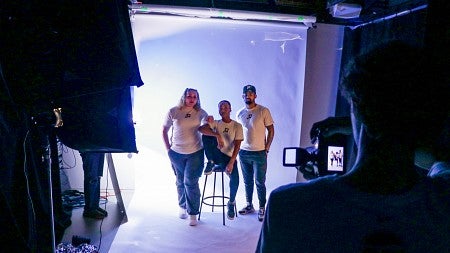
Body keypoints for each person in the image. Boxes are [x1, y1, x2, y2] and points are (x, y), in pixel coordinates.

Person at [256, 41, 450, 252]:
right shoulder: (443, 202)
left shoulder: (288, 206)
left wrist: (323, 188)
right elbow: (438, 155)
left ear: (357, 108)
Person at [162, 88, 208, 226]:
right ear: (184, 97)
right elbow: (164, 130)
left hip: (195, 153)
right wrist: (168, 150)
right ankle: (182, 206)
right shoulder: (173, 111)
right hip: (176, 153)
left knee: (191, 182)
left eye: (195, 96)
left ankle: (193, 213)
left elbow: (208, 127)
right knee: (180, 181)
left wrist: (210, 122)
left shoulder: (201, 113)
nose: (192, 99)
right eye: (189, 96)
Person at [198, 100, 243, 220]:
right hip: (216, 155)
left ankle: (231, 203)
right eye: (220, 107)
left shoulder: (237, 126)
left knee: (236, 180)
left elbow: (237, 146)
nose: (223, 109)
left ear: (230, 109)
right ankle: (210, 162)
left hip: (228, 158)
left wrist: (232, 162)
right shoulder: (216, 123)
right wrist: (217, 135)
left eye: (225, 107)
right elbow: (201, 129)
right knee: (206, 135)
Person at [236, 85, 274, 222]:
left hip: (259, 153)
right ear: (243, 96)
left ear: (255, 96)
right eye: (246, 93)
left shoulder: (263, 111)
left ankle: (262, 207)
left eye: (251, 93)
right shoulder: (240, 113)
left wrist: (267, 148)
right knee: (247, 182)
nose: (248, 95)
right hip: (244, 152)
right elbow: (238, 133)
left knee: (259, 181)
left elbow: (271, 130)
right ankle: (249, 205)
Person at [80, 152, 108, 219]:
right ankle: (89, 210)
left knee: (97, 177)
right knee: (91, 179)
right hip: (89, 148)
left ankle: (94, 206)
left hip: (97, 147)